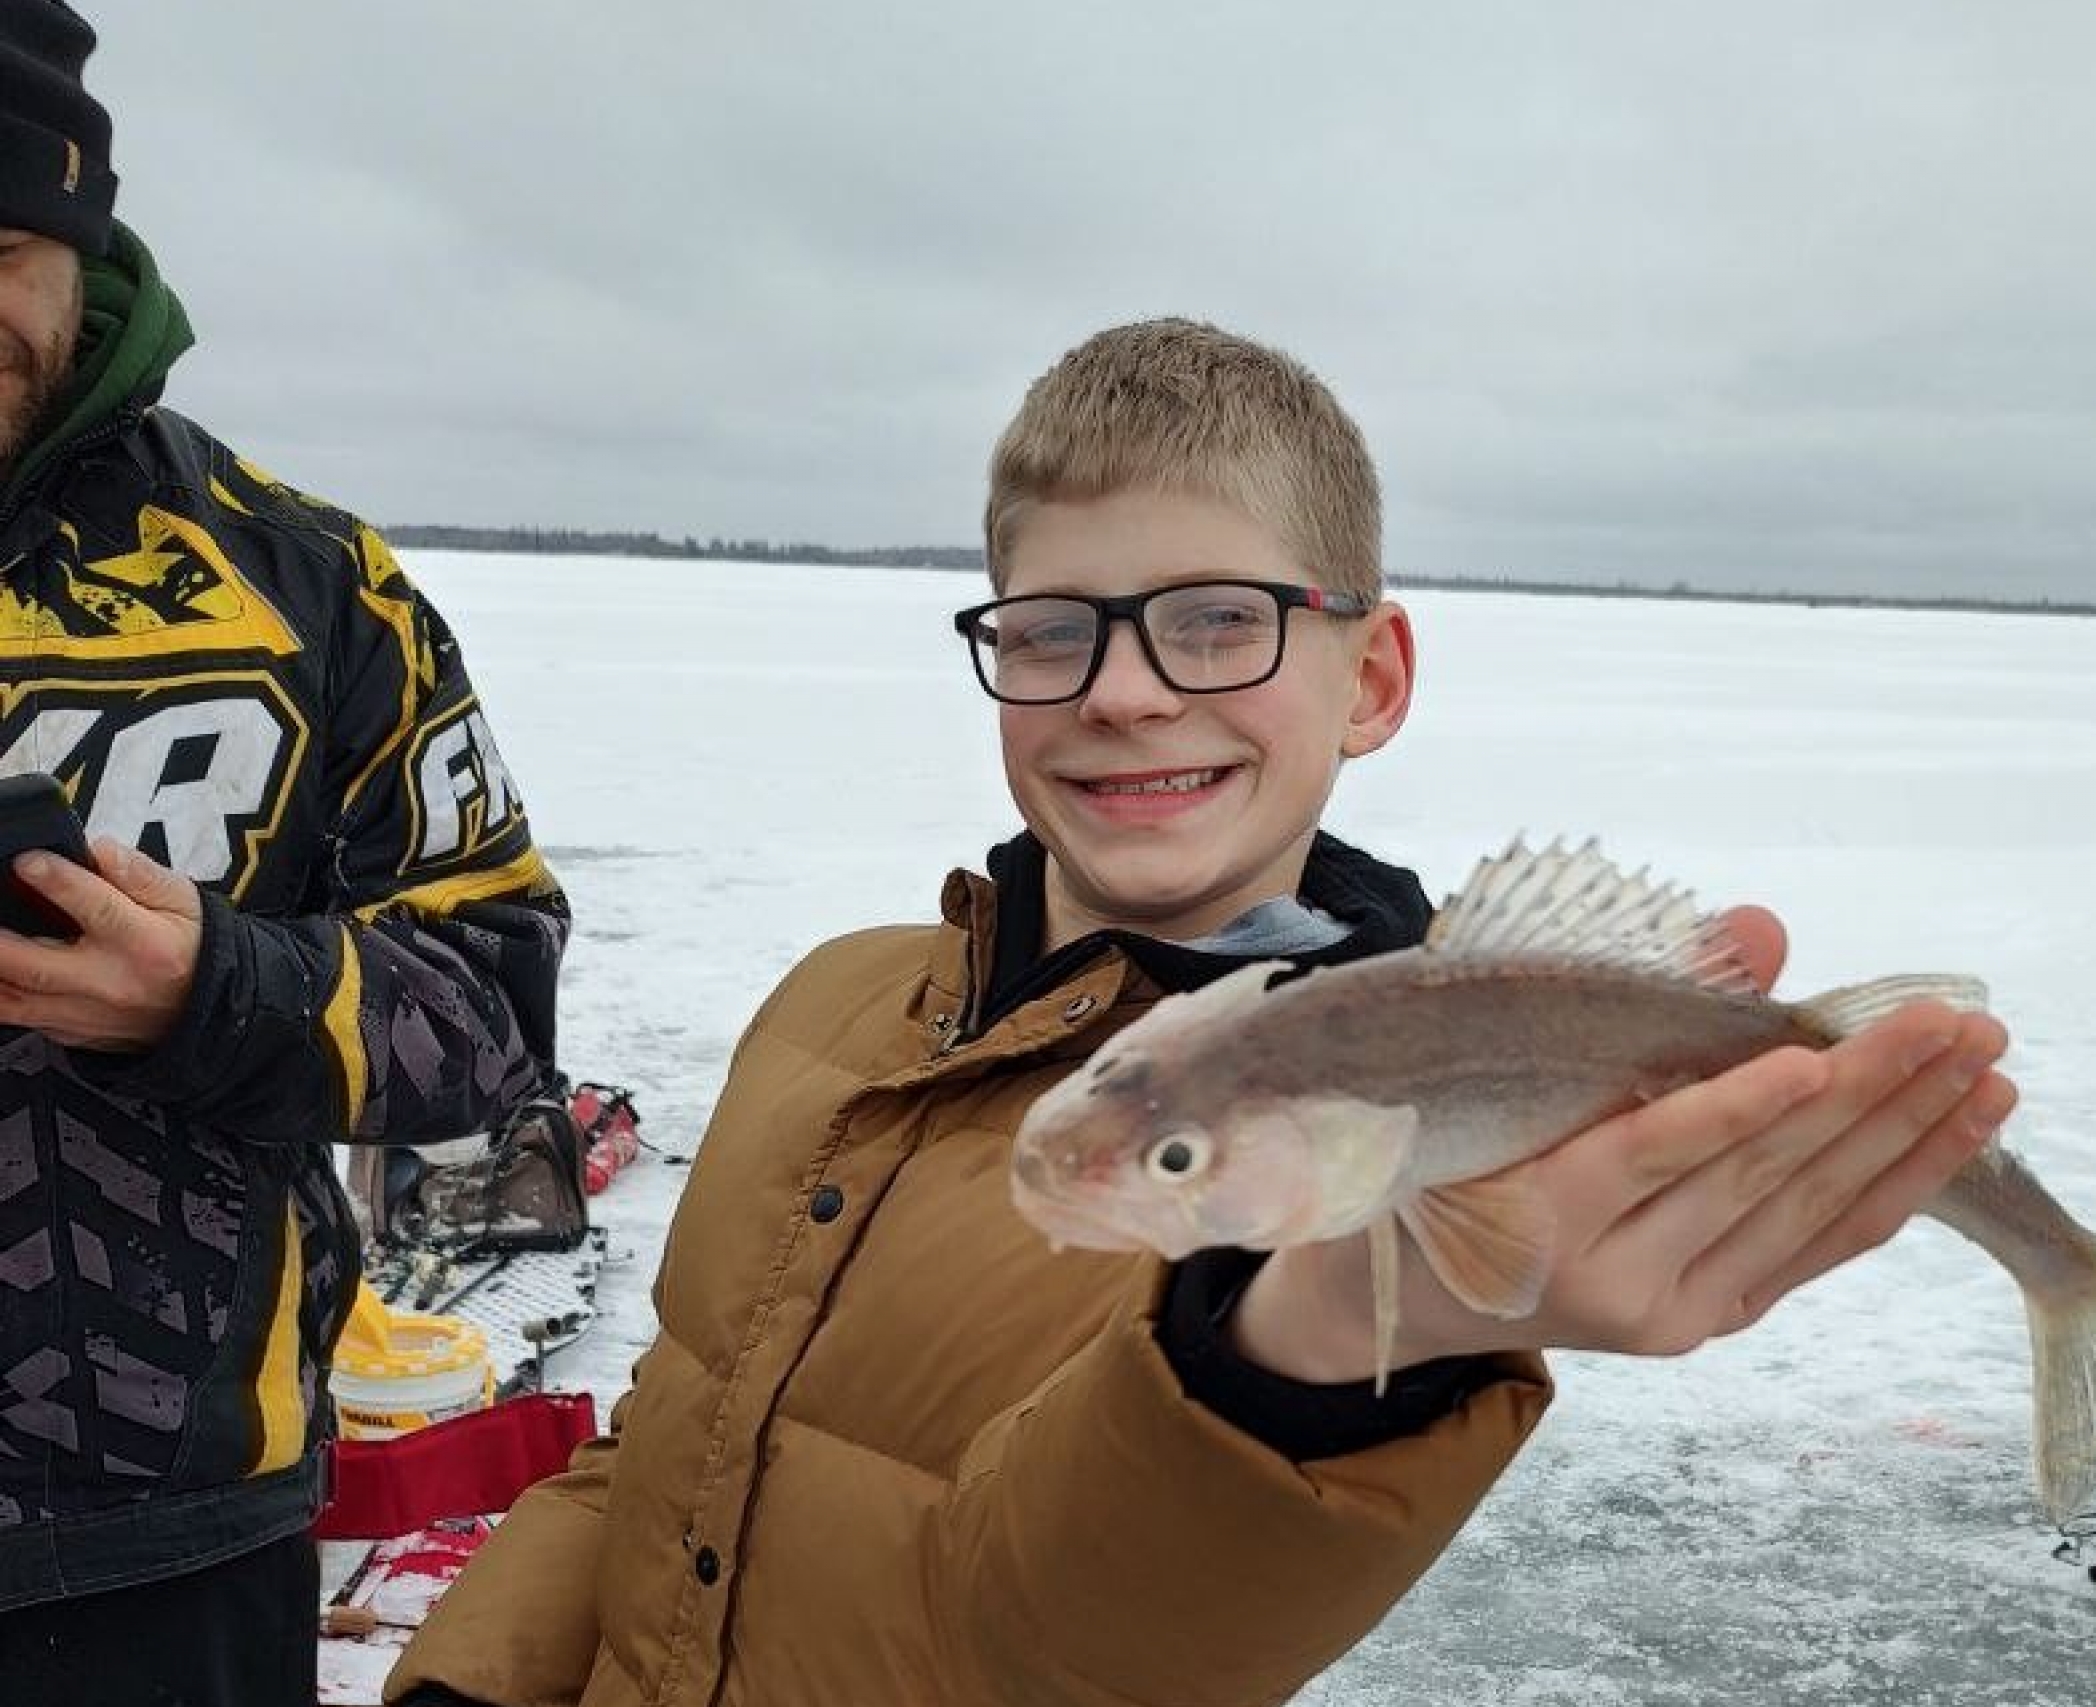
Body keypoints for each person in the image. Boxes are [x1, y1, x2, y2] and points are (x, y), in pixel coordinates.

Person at [389, 318, 2014, 1707]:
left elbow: (1080, 1635)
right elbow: (664, 1433)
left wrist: (1316, 1354)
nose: (1122, 689)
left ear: (1368, 678)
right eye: (1049, 631)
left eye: (1220, 619)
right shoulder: (838, 996)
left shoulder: (1414, 1150)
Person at [0, 3, 569, 1701]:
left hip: (159, 1544)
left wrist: (217, 992)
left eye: (3, 244)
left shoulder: (307, 584)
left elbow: (499, 1002)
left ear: (82, 255)